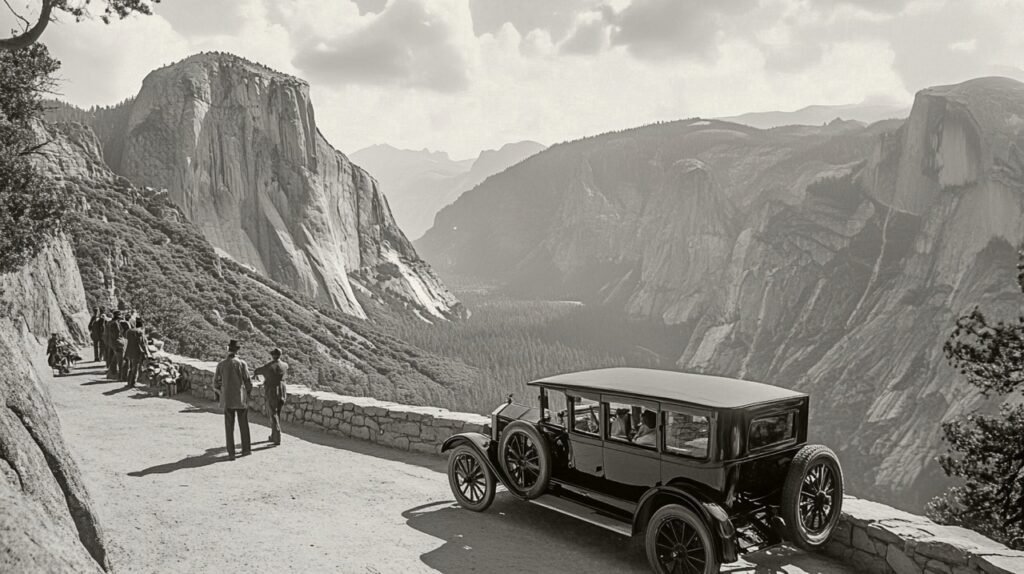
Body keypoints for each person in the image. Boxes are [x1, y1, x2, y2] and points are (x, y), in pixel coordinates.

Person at [214, 339, 252, 460]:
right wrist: (248, 394)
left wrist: (222, 393)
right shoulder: (242, 364)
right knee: (244, 425)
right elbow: (248, 382)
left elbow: (215, 383)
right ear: (237, 351)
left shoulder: (221, 365)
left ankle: (231, 453)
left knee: (229, 427)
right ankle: (246, 450)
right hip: (240, 398)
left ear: (227, 350)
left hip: (228, 399)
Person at [254, 348, 288, 445]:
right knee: (278, 413)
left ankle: (276, 436)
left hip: (272, 391)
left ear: (273, 355)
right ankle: (273, 435)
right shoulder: (285, 365)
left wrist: (255, 374)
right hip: (282, 391)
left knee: (273, 413)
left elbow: (258, 371)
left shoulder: (269, 366)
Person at [125, 318, 151, 388]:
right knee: (135, 368)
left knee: (130, 367)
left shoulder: (129, 331)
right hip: (136, 352)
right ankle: (133, 383)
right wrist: (147, 353)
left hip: (129, 351)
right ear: (142, 325)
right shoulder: (140, 332)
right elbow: (142, 344)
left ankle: (129, 382)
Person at [103, 311, 121, 378]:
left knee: (111, 357)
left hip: (109, 342)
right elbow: (118, 334)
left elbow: (105, 333)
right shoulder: (116, 323)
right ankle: (114, 373)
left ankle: (111, 372)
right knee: (117, 357)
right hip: (115, 342)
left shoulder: (109, 323)